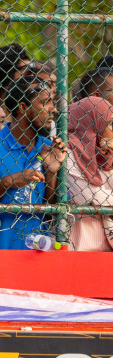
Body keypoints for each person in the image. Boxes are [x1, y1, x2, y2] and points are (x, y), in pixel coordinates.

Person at [0, 78, 69, 250]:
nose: (53, 109)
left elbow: (51, 212)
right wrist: (6, 183)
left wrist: (51, 172)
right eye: (45, 102)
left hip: (37, 251)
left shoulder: (48, 147)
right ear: (23, 107)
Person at [65, 97, 113, 251]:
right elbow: (88, 196)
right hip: (79, 247)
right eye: (110, 123)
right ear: (93, 123)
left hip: (107, 247)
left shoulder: (105, 155)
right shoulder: (68, 152)